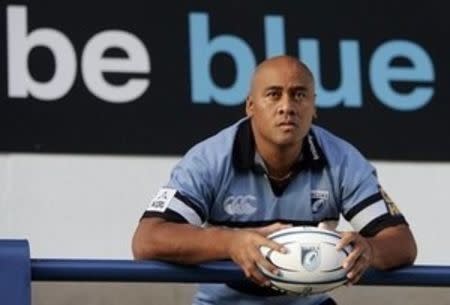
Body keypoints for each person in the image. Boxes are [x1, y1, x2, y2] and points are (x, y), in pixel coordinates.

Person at [132, 55, 417, 305]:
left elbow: (401, 242)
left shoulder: (343, 159)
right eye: (273, 94)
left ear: (314, 107)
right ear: (250, 106)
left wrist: (370, 250)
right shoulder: (209, 159)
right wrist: (231, 243)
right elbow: (148, 239)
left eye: (299, 95)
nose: (287, 107)